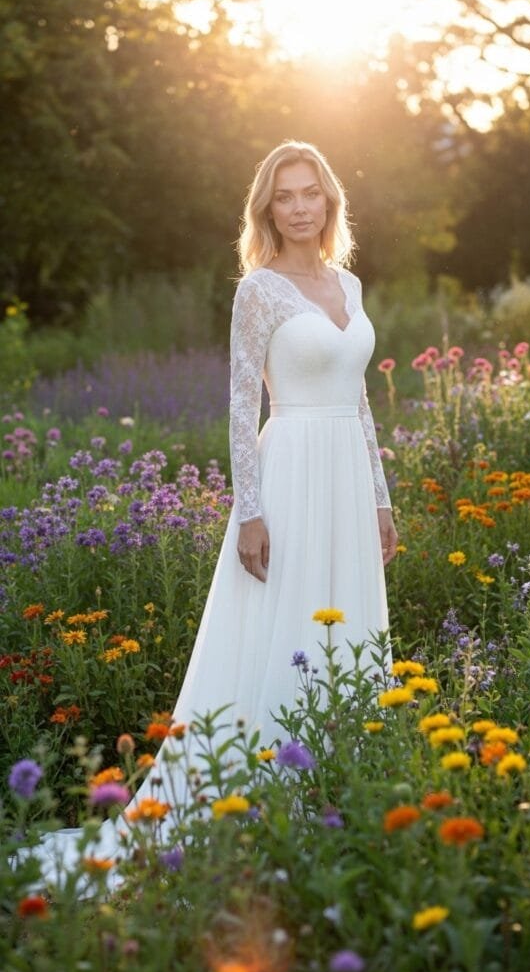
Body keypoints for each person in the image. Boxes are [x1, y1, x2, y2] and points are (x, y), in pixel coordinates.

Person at [20, 140, 397, 887]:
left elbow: (359, 401)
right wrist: (248, 511)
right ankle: (265, 802)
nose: (299, 207)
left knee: (344, 629)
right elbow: (239, 403)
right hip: (289, 470)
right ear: (267, 209)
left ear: (329, 201)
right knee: (283, 625)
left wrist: (382, 499)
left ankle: (342, 793)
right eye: (284, 196)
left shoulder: (349, 285)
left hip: (348, 481)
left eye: (310, 193)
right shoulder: (258, 290)